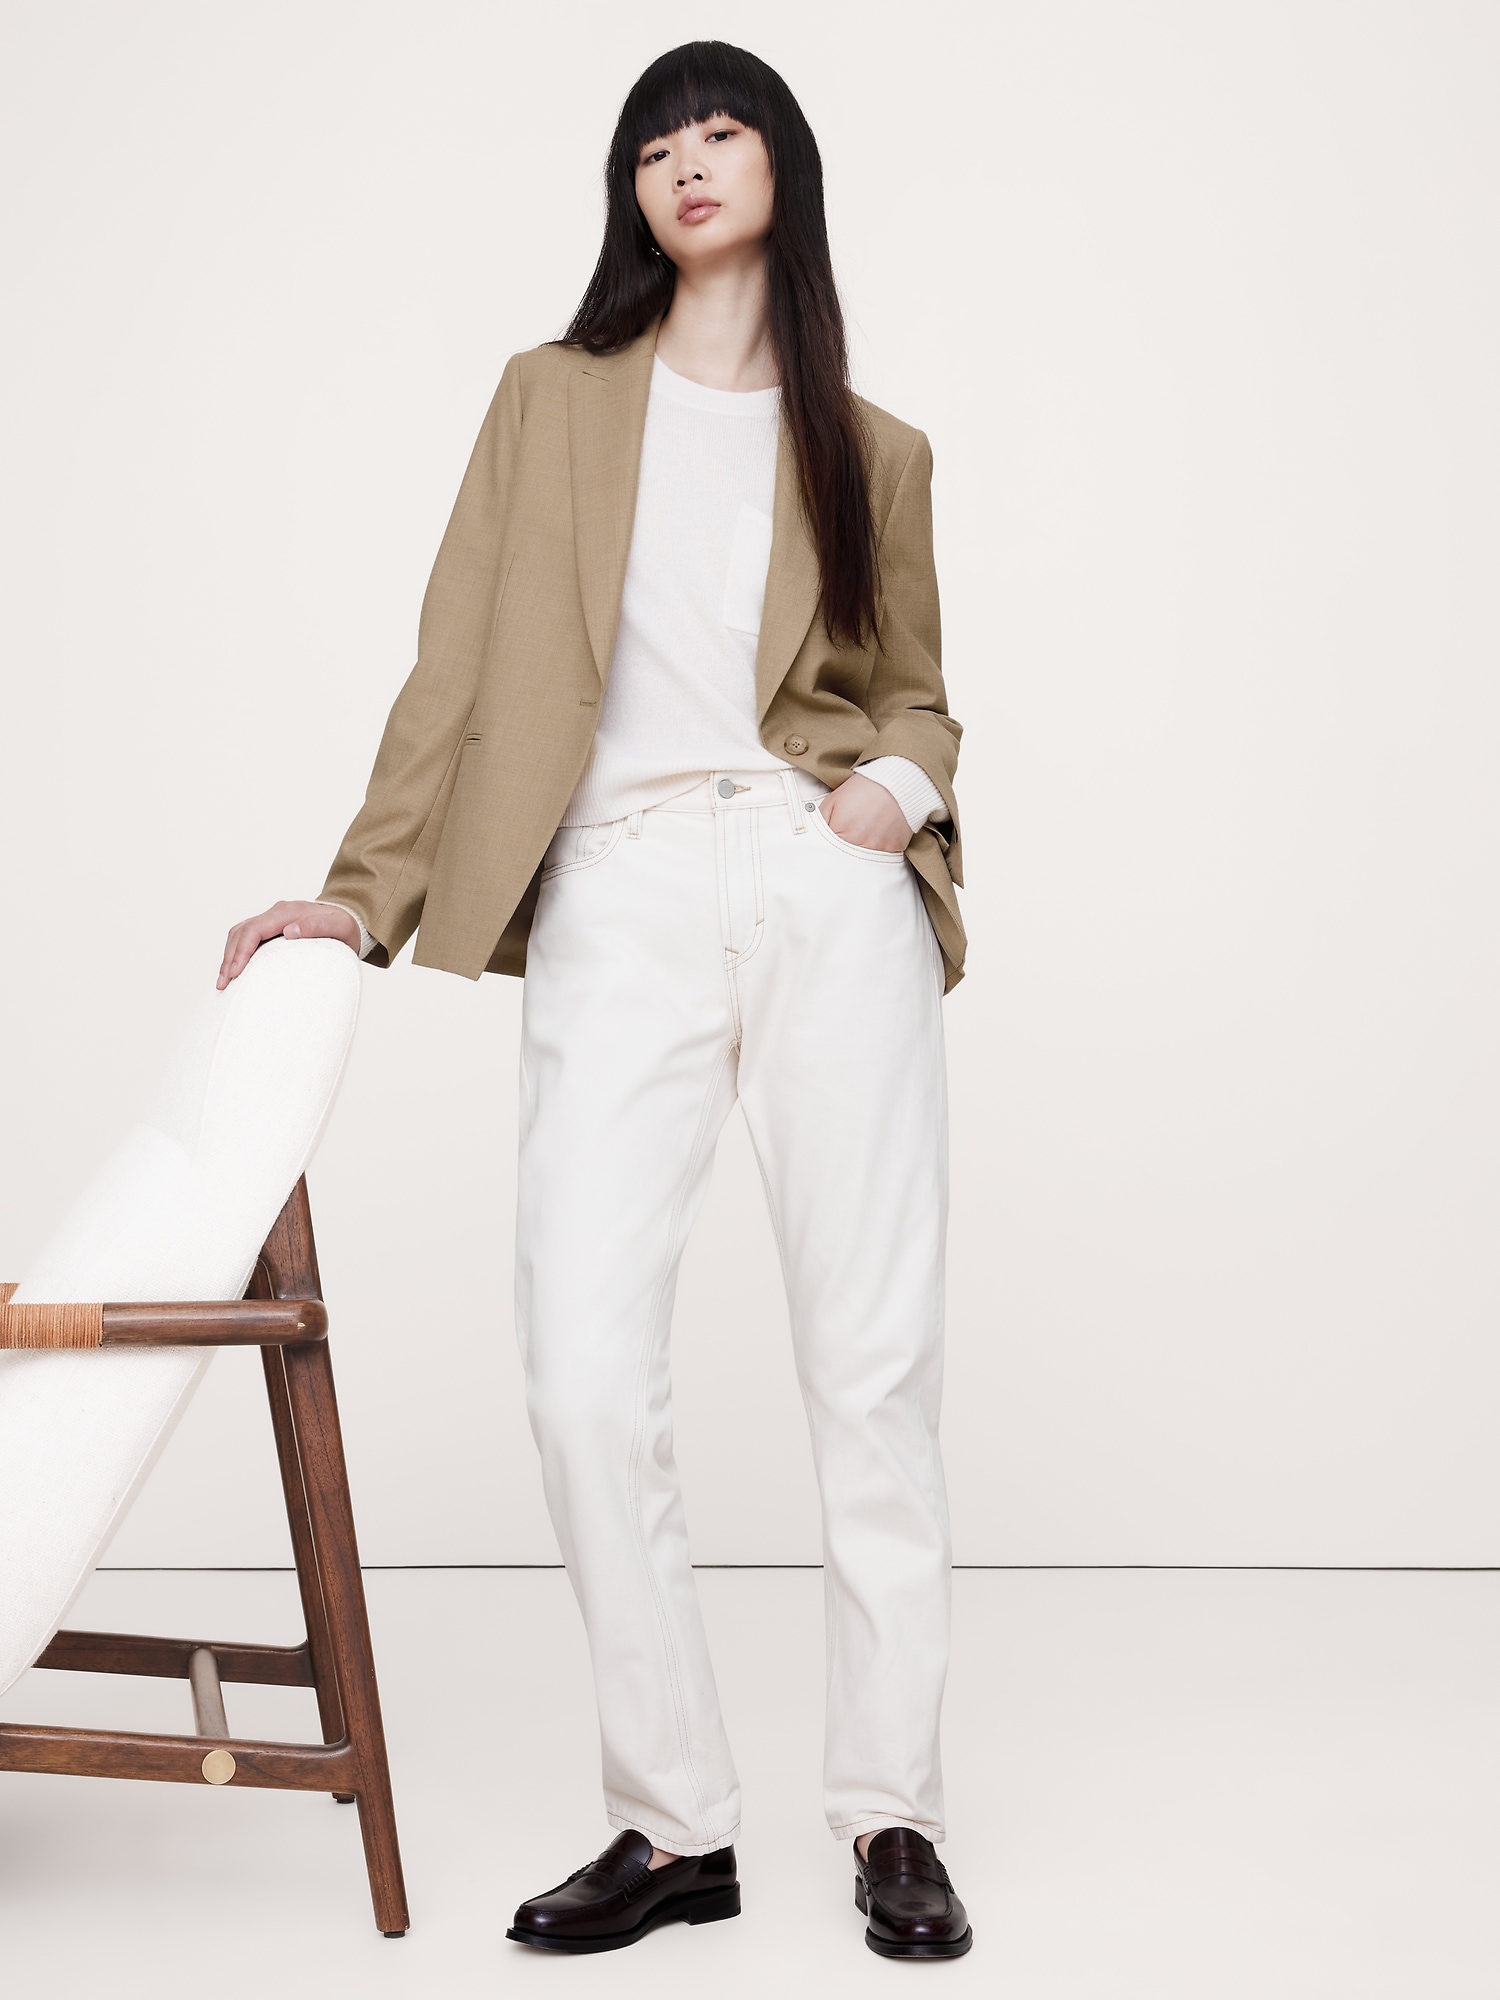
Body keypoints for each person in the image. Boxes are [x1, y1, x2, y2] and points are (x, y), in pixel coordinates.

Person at [219, 41, 970, 1961]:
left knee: (871, 1367)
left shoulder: (871, 448)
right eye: (653, 145)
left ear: (783, 166)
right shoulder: (548, 401)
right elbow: (456, 660)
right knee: (578, 1364)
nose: (683, 163)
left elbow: (912, 690)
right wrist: (362, 892)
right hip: (618, 887)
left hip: (823, 885)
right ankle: (674, 1819)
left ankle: (891, 1810)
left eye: (719, 131)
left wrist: (894, 793)